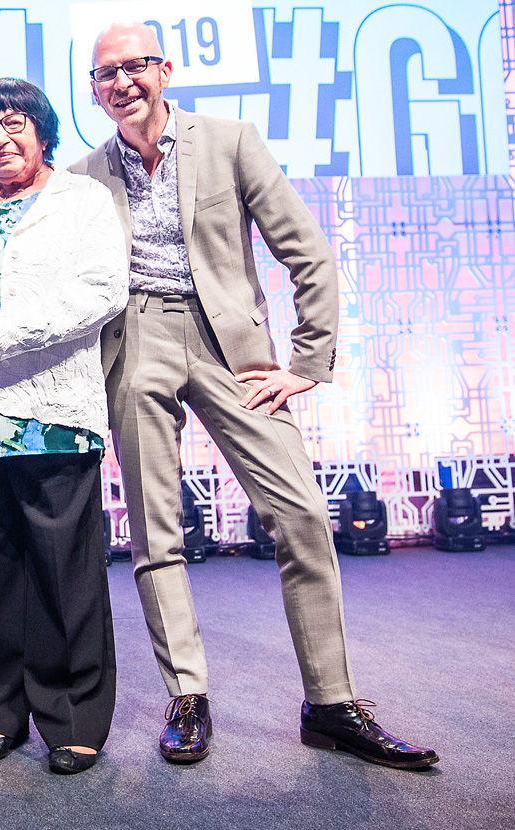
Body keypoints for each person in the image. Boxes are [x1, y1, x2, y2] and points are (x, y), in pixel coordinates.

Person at [71, 20, 438, 769]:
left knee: (300, 512)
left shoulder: (230, 141)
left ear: (165, 70)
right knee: (155, 530)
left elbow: (307, 251)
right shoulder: (85, 174)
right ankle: (189, 698)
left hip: (228, 347)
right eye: (105, 74)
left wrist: (306, 362)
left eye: (134, 67)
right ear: (95, 88)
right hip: (135, 340)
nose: (121, 83)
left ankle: (331, 705)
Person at [0, 78, 127, 775]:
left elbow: (103, 290)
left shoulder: (81, 200)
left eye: (12, 123)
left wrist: (4, 334)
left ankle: (72, 718)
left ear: (43, 133)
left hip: (50, 410)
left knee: (62, 569)